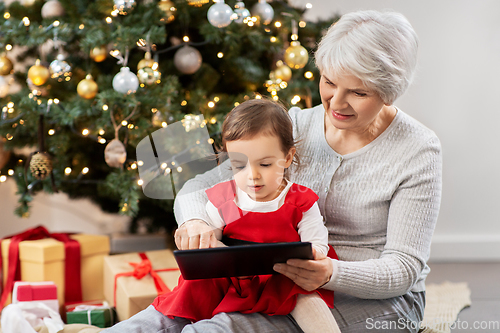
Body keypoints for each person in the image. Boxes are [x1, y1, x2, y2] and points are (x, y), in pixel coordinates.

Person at [172, 9, 442, 333]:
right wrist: (194, 220)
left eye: (358, 92)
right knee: (161, 321)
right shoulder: (297, 124)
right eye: (329, 82)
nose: (336, 103)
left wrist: (331, 273)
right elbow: (200, 186)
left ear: (389, 91)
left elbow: (404, 268)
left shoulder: (418, 149)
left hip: (376, 299)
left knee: (219, 329)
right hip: (283, 284)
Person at [103, 99, 341, 333]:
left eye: (265, 165)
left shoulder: (300, 202)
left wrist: (310, 258)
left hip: (283, 279)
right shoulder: (230, 200)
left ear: (287, 158)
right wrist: (207, 245)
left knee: (309, 302)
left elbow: (318, 247)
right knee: (188, 299)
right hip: (233, 278)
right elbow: (212, 239)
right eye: (240, 166)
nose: (253, 176)